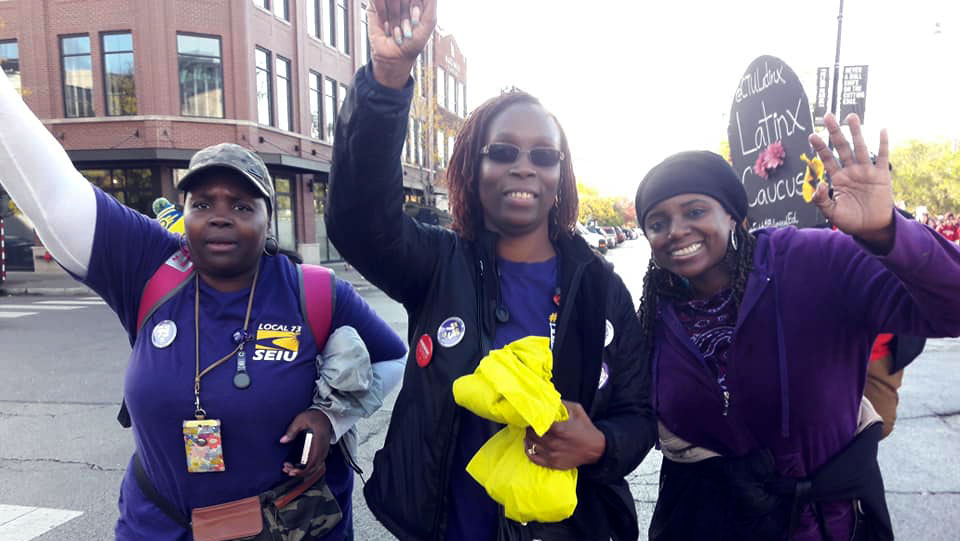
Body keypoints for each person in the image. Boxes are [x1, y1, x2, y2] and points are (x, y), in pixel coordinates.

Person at [0, 71, 407, 540]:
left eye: (241, 205)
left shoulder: (313, 291)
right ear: (185, 213)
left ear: (268, 219)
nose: (219, 216)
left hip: (290, 527)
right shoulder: (148, 267)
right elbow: (54, 196)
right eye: (202, 202)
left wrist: (331, 417)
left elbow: (392, 357)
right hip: (158, 527)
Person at [324, 2, 656, 539]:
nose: (523, 165)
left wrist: (599, 444)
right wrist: (386, 80)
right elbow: (359, 221)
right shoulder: (437, 265)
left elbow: (639, 413)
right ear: (473, 170)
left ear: (559, 177)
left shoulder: (599, 287)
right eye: (502, 151)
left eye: (543, 156)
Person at [634, 113, 960, 540]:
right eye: (657, 222)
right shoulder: (652, 316)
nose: (676, 231)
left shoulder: (815, 260)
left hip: (828, 525)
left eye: (695, 210)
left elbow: (950, 309)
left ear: (733, 215)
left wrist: (887, 234)